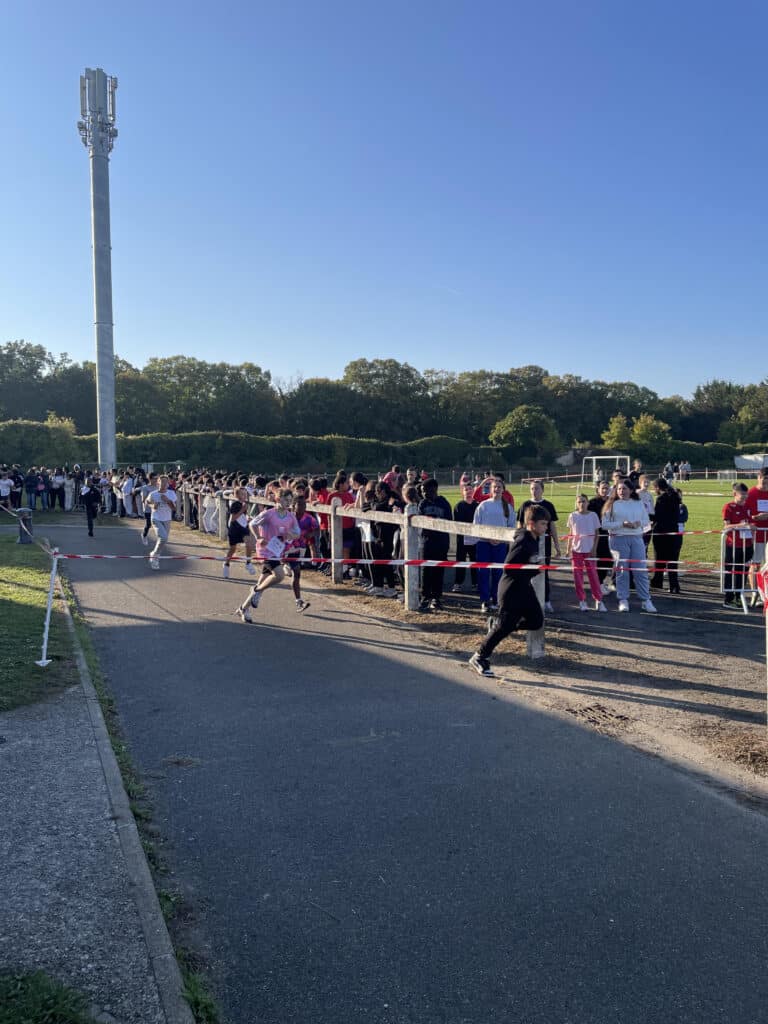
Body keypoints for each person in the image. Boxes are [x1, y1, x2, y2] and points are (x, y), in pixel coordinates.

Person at [468, 506, 548, 676]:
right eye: (543, 524)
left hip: (525, 588)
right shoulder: (523, 541)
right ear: (531, 524)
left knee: (536, 621)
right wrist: (535, 569)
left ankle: (497, 626)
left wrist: (534, 567)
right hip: (511, 590)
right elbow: (510, 567)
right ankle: (480, 656)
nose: (546, 527)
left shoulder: (533, 538)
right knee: (504, 627)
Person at [237, 489, 300, 623]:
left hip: (278, 550)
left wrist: (291, 535)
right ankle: (258, 590)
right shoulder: (269, 514)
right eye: (285, 500)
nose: (288, 503)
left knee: (263, 581)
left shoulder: (291, 516)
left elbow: (297, 532)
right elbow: (252, 524)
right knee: (279, 575)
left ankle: (243, 608)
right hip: (266, 550)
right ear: (278, 499)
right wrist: (259, 537)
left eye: (290, 500)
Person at [602, 480, 656, 613]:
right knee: (622, 570)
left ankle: (645, 599)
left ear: (631, 490)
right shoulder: (612, 505)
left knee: (640, 570)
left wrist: (639, 523)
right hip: (618, 539)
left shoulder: (638, 504)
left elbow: (646, 522)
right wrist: (622, 524)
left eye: (624, 489)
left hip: (637, 539)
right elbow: (605, 524)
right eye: (619, 489)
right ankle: (623, 599)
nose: (621, 491)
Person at [469, 478, 515, 614]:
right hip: (483, 544)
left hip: (500, 545)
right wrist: (488, 538)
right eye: (494, 487)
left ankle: (496, 600)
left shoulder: (508, 507)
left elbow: (511, 526)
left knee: (498, 573)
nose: (497, 489)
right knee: (483, 572)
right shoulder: (483, 506)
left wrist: (500, 539)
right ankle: (485, 600)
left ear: (503, 489)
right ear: (490, 489)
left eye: (499, 487)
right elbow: (476, 526)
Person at [516, 480, 560, 612]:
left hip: (544, 544)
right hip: (528, 544)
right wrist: (519, 542)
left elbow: (552, 527)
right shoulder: (525, 505)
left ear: (542, 490)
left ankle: (546, 600)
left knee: (543, 572)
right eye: (532, 488)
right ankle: (526, 600)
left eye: (537, 488)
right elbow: (520, 525)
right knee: (526, 572)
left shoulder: (548, 505)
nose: (534, 491)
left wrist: (557, 545)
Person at [566, 495, 606, 612]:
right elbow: (570, 533)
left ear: (588, 502)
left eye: (584, 501)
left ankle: (598, 600)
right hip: (576, 551)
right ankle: (582, 600)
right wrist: (568, 550)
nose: (581, 504)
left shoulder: (593, 515)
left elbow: (597, 533)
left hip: (589, 551)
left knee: (593, 576)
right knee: (578, 578)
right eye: (579, 502)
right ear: (576, 503)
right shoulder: (573, 516)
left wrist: (594, 549)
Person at [417, 478, 452, 612]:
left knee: (439, 569)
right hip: (427, 541)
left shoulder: (444, 503)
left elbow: (449, 521)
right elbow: (420, 520)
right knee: (426, 570)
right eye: (422, 491)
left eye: (426, 491)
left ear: (434, 489)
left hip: (441, 541)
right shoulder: (423, 504)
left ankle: (437, 597)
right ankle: (425, 596)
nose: (424, 493)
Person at [284, 492, 318, 612]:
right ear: (293, 506)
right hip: (284, 549)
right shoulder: (288, 517)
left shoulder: (309, 518)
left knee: (297, 573)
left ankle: (298, 601)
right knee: (271, 575)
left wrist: (311, 534)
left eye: (304, 505)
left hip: (298, 549)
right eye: (300, 505)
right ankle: (257, 592)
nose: (303, 507)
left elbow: (316, 528)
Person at [722, 483, 753, 608]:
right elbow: (726, 526)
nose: (745, 497)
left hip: (748, 545)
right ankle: (728, 599)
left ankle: (739, 596)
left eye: (746, 495)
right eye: (742, 495)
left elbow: (750, 523)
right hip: (733, 545)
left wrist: (752, 527)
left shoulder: (747, 507)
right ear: (734, 494)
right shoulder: (729, 507)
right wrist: (742, 526)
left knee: (743, 572)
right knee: (731, 571)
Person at [650, 479, 683, 593]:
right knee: (672, 560)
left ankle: (657, 582)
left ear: (657, 488)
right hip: (674, 532)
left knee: (659, 558)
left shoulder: (661, 499)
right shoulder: (675, 497)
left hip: (661, 532)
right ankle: (674, 585)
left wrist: (648, 516)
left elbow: (657, 516)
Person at [745, 468, 768, 605]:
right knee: (755, 564)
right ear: (758, 478)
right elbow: (744, 514)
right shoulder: (751, 494)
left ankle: (765, 593)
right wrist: (754, 517)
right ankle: (755, 594)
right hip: (757, 535)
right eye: (763, 478)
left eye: (767, 479)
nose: (765, 481)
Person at [452, 481, 479, 593]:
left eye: (470, 490)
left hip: (475, 539)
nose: (468, 492)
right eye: (466, 490)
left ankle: (475, 583)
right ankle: (458, 583)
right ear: (462, 492)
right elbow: (457, 524)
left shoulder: (478, 506)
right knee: (460, 562)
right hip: (462, 539)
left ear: (473, 491)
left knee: (475, 562)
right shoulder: (459, 506)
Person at [588, 480, 614, 592]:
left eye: (607, 488)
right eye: (603, 488)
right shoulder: (592, 502)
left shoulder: (612, 502)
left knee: (608, 560)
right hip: (597, 535)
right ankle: (598, 584)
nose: (605, 490)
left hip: (611, 535)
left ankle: (602, 582)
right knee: (598, 560)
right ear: (598, 489)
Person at [146, 475, 176, 570]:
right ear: (158, 482)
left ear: (168, 484)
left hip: (167, 519)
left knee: (164, 540)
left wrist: (167, 501)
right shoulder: (153, 494)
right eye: (161, 481)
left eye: (165, 482)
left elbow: (174, 508)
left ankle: (154, 554)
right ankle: (155, 558)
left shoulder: (171, 493)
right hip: (156, 518)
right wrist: (153, 506)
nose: (163, 484)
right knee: (163, 538)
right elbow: (147, 502)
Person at [222, 496, 257, 579]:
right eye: (242, 494)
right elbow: (233, 518)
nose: (244, 496)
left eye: (245, 494)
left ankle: (248, 563)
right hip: (234, 528)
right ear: (237, 495)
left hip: (243, 527)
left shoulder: (245, 504)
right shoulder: (235, 504)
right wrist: (243, 509)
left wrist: (247, 518)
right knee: (233, 549)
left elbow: (243, 515)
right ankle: (226, 564)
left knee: (249, 544)